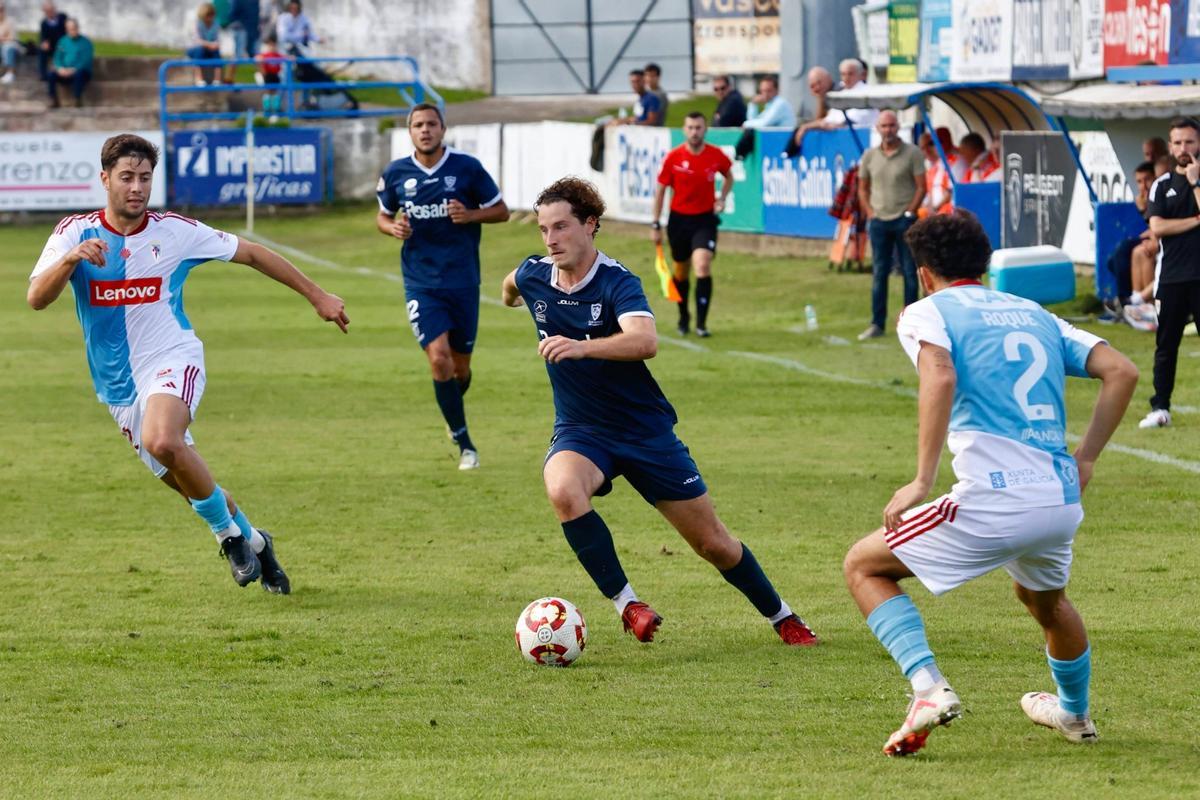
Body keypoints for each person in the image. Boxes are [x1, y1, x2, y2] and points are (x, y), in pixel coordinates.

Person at [843, 210, 1138, 757]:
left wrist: (921, 480)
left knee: (863, 565)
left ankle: (928, 689)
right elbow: (1122, 370)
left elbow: (941, 373)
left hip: (993, 495)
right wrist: (1088, 458)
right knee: (1044, 601)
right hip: (1057, 497)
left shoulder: (927, 311)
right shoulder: (1036, 315)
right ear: (983, 262)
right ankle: (1074, 715)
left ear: (925, 272)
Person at [501, 176, 818, 647]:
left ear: (591, 225)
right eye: (544, 229)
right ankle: (628, 605)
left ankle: (782, 616)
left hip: (644, 432)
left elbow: (645, 341)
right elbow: (510, 285)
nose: (551, 239)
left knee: (712, 543)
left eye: (561, 227)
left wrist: (582, 348)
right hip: (582, 430)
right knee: (564, 491)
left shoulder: (617, 281)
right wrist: (513, 297)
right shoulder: (534, 273)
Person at [28, 134, 350, 592]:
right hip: (118, 386)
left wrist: (318, 295)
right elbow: (36, 298)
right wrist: (71, 261)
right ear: (104, 180)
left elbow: (253, 252)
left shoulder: (174, 230)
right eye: (126, 178)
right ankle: (256, 542)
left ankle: (227, 538)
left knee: (163, 439)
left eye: (144, 178)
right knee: (189, 483)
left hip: (171, 357)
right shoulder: (73, 234)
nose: (137, 187)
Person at [375, 103, 510, 470]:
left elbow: (501, 210)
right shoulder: (397, 173)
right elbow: (383, 216)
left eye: (431, 124)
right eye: (418, 125)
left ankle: (452, 412)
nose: (425, 130)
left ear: (443, 129)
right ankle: (465, 442)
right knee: (439, 358)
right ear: (410, 131)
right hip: (421, 282)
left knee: (460, 370)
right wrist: (393, 229)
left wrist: (471, 215)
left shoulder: (466, 168)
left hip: (463, 280)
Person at [1140, 116, 1200, 429]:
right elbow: (1157, 227)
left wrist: (1195, 182)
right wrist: (1195, 220)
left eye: (1189, 141)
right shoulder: (1161, 185)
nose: (1183, 148)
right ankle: (1160, 407)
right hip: (1172, 278)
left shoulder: (1197, 179)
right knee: (1166, 346)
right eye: (1177, 142)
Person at [650, 112, 733, 337]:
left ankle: (702, 324)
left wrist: (722, 198)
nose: (694, 132)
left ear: (705, 129)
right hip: (679, 221)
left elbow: (729, 176)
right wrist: (655, 224)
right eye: (690, 127)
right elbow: (660, 192)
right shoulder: (673, 157)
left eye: (698, 127)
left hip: (704, 219)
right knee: (681, 271)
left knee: (702, 264)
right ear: (684, 130)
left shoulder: (715, 155)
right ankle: (684, 315)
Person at [857, 110, 925, 340]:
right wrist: (869, 212)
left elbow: (921, 187)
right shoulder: (869, 156)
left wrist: (910, 211)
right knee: (879, 272)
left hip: (904, 219)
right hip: (879, 220)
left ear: (898, 127)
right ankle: (877, 323)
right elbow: (863, 187)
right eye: (884, 126)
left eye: (892, 125)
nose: (888, 130)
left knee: (909, 271)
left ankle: (911, 324)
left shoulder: (912, 153)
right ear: (877, 128)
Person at [789, 60, 879, 152]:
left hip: (863, 143)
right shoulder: (840, 93)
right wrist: (806, 127)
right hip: (842, 144)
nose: (846, 78)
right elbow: (828, 120)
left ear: (860, 75)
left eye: (850, 74)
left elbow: (846, 122)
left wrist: (811, 126)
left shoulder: (867, 93)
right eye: (843, 74)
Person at [47, 17, 92, 108]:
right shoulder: (62, 41)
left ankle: (77, 99)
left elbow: (86, 60)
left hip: (80, 72)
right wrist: (60, 68)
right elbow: (57, 57)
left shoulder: (86, 42)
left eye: (73, 29)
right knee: (51, 74)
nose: (71, 31)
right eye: (69, 29)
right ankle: (54, 100)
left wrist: (74, 69)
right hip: (65, 71)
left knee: (79, 74)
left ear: (77, 28)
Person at [186, 3, 222, 87]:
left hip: (209, 48)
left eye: (211, 15)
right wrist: (210, 45)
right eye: (208, 15)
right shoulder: (197, 23)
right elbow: (196, 40)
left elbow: (218, 39)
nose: (210, 18)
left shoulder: (216, 24)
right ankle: (198, 78)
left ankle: (217, 79)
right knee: (200, 50)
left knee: (216, 52)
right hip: (195, 49)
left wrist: (215, 45)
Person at [255, 32, 285, 116]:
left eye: (274, 45)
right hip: (268, 75)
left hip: (275, 75)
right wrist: (259, 60)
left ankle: (275, 110)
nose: (272, 47)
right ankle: (267, 110)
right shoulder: (266, 55)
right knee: (268, 92)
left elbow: (285, 58)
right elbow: (258, 58)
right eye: (270, 45)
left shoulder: (277, 55)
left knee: (275, 93)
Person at [38, 1, 67, 81]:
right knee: (42, 50)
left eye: (50, 10)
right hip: (51, 46)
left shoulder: (63, 17)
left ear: (54, 9)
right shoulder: (44, 23)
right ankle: (43, 74)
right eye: (46, 11)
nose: (49, 13)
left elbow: (68, 31)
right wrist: (44, 42)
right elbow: (43, 36)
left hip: (62, 44)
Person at [0, 3, 20, 84]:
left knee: (8, 47)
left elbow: (13, 38)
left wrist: (3, 39)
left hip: (11, 45)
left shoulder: (10, 21)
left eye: (1, 10)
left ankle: (10, 73)